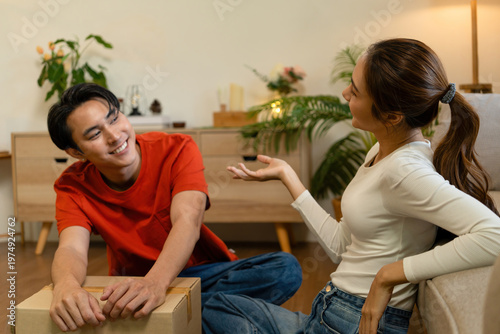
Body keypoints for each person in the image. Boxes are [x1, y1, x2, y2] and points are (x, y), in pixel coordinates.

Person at [202, 38, 500, 334]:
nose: (345, 94)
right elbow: (341, 246)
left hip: (353, 322)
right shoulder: (382, 153)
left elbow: (494, 236)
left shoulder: (405, 171)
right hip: (332, 311)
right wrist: (288, 176)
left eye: (355, 92)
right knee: (218, 306)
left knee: (215, 310)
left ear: (392, 116)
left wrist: (389, 275)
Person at [46, 83, 302, 332]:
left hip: (203, 273)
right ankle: (202, 316)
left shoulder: (177, 148)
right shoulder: (73, 186)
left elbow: (187, 221)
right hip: (131, 282)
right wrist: (65, 286)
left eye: (114, 119)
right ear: (76, 152)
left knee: (285, 269)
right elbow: (71, 247)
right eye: (94, 134)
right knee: (229, 318)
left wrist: (156, 284)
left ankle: (172, 317)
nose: (114, 136)